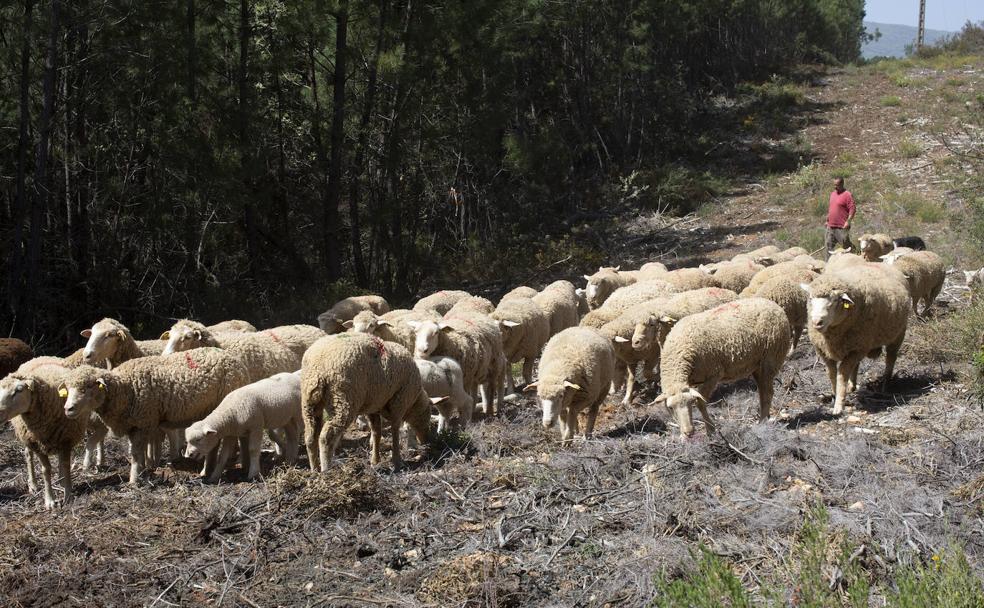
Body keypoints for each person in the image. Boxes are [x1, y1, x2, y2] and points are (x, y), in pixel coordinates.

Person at [825, 177, 856, 259]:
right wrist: (827, 220)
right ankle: (828, 265)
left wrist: (848, 221)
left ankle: (855, 258)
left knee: (846, 247)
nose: (835, 187)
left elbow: (852, 209)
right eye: (834, 185)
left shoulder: (847, 195)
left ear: (842, 184)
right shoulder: (833, 194)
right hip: (831, 226)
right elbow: (831, 208)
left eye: (837, 185)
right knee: (828, 246)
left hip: (841, 227)